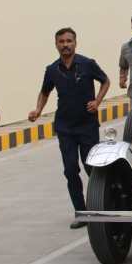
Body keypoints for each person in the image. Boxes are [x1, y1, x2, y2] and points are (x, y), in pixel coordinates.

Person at [28, 28, 110, 228]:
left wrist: (97, 101)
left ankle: (103, 205)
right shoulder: (52, 69)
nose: (65, 45)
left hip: (87, 125)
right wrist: (38, 109)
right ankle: (81, 213)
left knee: (92, 167)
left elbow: (105, 81)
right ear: (56, 44)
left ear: (75, 43)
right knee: (70, 170)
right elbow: (45, 92)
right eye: (61, 41)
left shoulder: (87, 64)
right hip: (65, 127)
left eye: (69, 41)